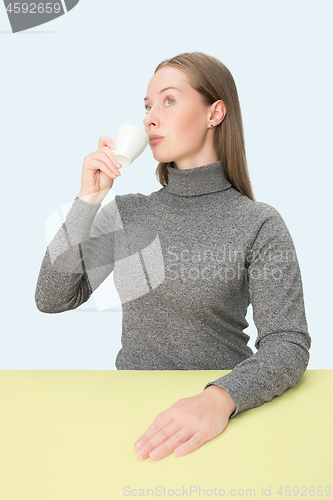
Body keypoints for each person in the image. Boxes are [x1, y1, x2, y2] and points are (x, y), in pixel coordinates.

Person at [35, 52, 311, 461]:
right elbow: (52, 298)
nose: (149, 118)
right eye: (146, 106)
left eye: (168, 101)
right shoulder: (129, 213)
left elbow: (288, 342)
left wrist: (220, 398)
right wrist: (89, 198)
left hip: (228, 418)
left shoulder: (259, 223)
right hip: (134, 417)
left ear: (214, 112)